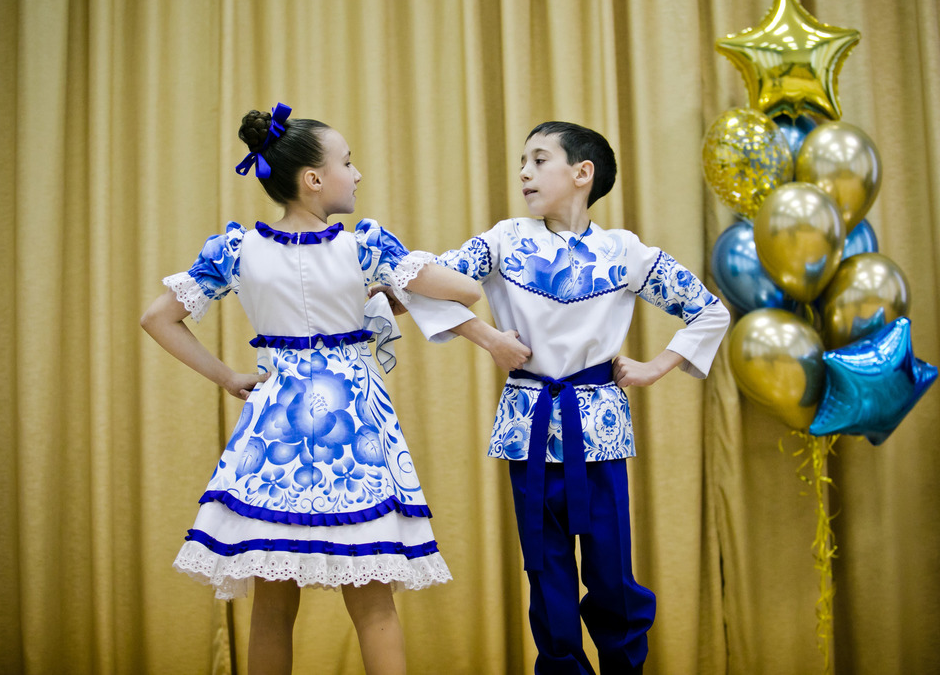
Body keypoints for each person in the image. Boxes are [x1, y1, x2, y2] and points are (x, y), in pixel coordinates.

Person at [140, 102, 483, 675]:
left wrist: (228, 377)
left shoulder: (235, 251)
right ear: (314, 178)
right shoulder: (366, 248)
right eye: (348, 162)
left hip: (272, 436)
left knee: (272, 610)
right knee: (374, 608)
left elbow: (157, 317)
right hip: (357, 436)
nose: (358, 173)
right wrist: (387, 293)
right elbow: (466, 290)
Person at [406, 122, 731, 674]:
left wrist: (655, 368)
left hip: (598, 429)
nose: (524, 173)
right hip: (528, 424)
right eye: (522, 163)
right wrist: (484, 336)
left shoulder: (623, 250)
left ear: (583, 174)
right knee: (546, 573)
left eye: (539, 160)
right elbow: (430, 278)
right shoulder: (504, 239)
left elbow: (709, 310)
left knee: (613, 576)